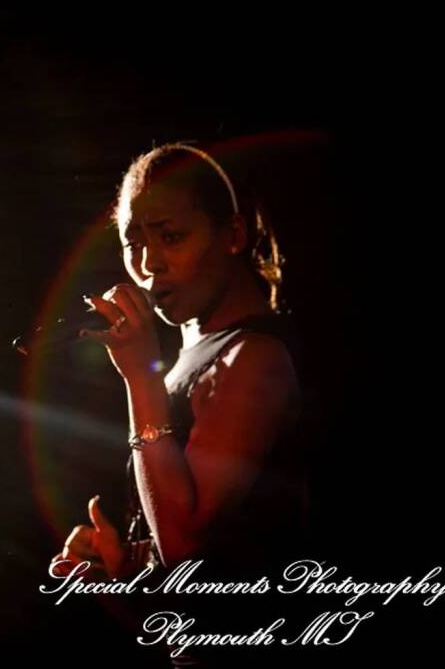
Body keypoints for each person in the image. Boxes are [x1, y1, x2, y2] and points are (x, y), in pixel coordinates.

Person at [50, 142, 310, 667]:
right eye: (133, 244)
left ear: (232, 235)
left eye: (170, 237)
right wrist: (126, 564)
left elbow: (187, 545)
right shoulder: (194, 357)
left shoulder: (254, 356)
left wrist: (139, 377)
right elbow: (196, 567)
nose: (148, 265)